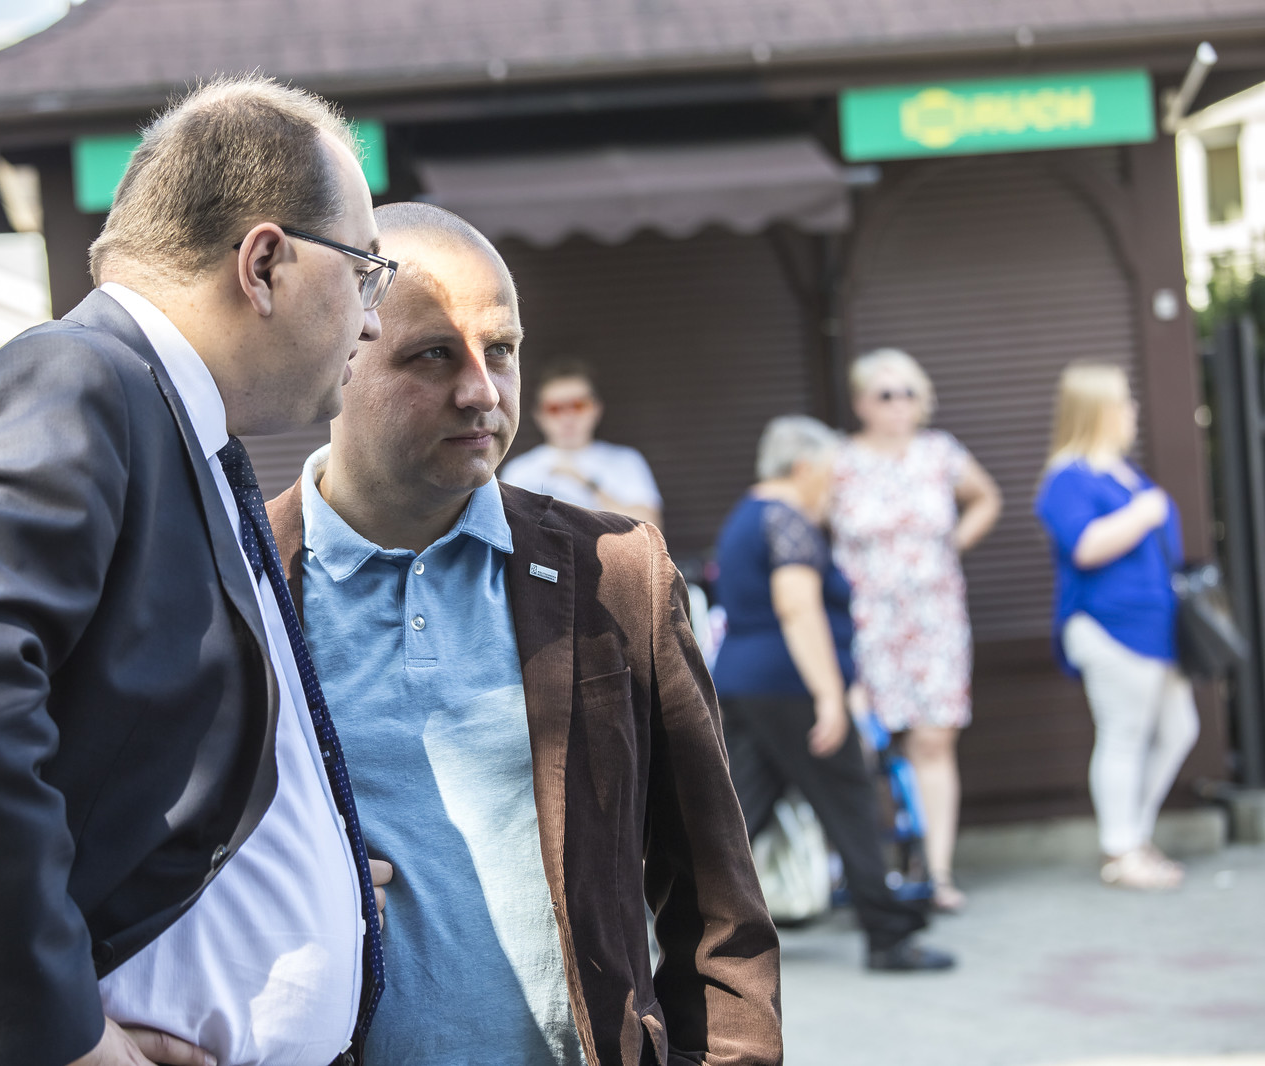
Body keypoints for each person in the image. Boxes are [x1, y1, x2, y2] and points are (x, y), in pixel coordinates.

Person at [0, 77, 397, 1066]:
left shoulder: (171, 422)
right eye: (366, 270)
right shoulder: (75, 378)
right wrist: (62, 1038)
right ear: (264, 263)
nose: (373, 321)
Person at [264, 203, 782, 1065]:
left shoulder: (617, 573)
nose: (482, 390)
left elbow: (718, 905)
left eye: (500, 349)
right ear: (337, 353)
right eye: (433, 354)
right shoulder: (236, 582)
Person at [714, 415, 954, 972]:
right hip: (791, 685)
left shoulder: (745, 515)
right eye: (831, 471)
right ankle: (889, 937)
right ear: (803, 467)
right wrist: (829, 695)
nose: (836, 483)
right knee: (849, 801)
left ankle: (677, 923)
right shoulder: (786, 519)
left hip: (743, 682)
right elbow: (798, 608)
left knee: (739, 812)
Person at [829, 348, 1002, 913]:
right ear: (861, 403)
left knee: (933, 739)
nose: (899, 404)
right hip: (866, 621)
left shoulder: (940, 453)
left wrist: (954, 544)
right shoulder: (839, 461)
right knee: (865, 744)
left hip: (934, 619)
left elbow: (987, 498)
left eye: (909, 392)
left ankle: (937, 871)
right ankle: (873, 871)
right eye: (885, 394)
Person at [1034, 363, 1198, 891]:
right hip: (1111, 625)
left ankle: (1134, 836)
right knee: (1123, 734)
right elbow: (1084, 546)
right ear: (1098, 410)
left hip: (1156, 627)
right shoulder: (1068, 477)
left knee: (1178, 729)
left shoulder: (1122, 472)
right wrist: (1143, 514)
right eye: (1123, 401)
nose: (1133, 410)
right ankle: (1121, 851)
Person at [499, 362, 663, 526]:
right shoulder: (519, 470)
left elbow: (650, 527)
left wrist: (586, 483)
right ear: (539, 416)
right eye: (555, 408)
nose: (567, 417)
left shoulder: (626, 461)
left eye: (578, 405)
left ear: (596, 408)